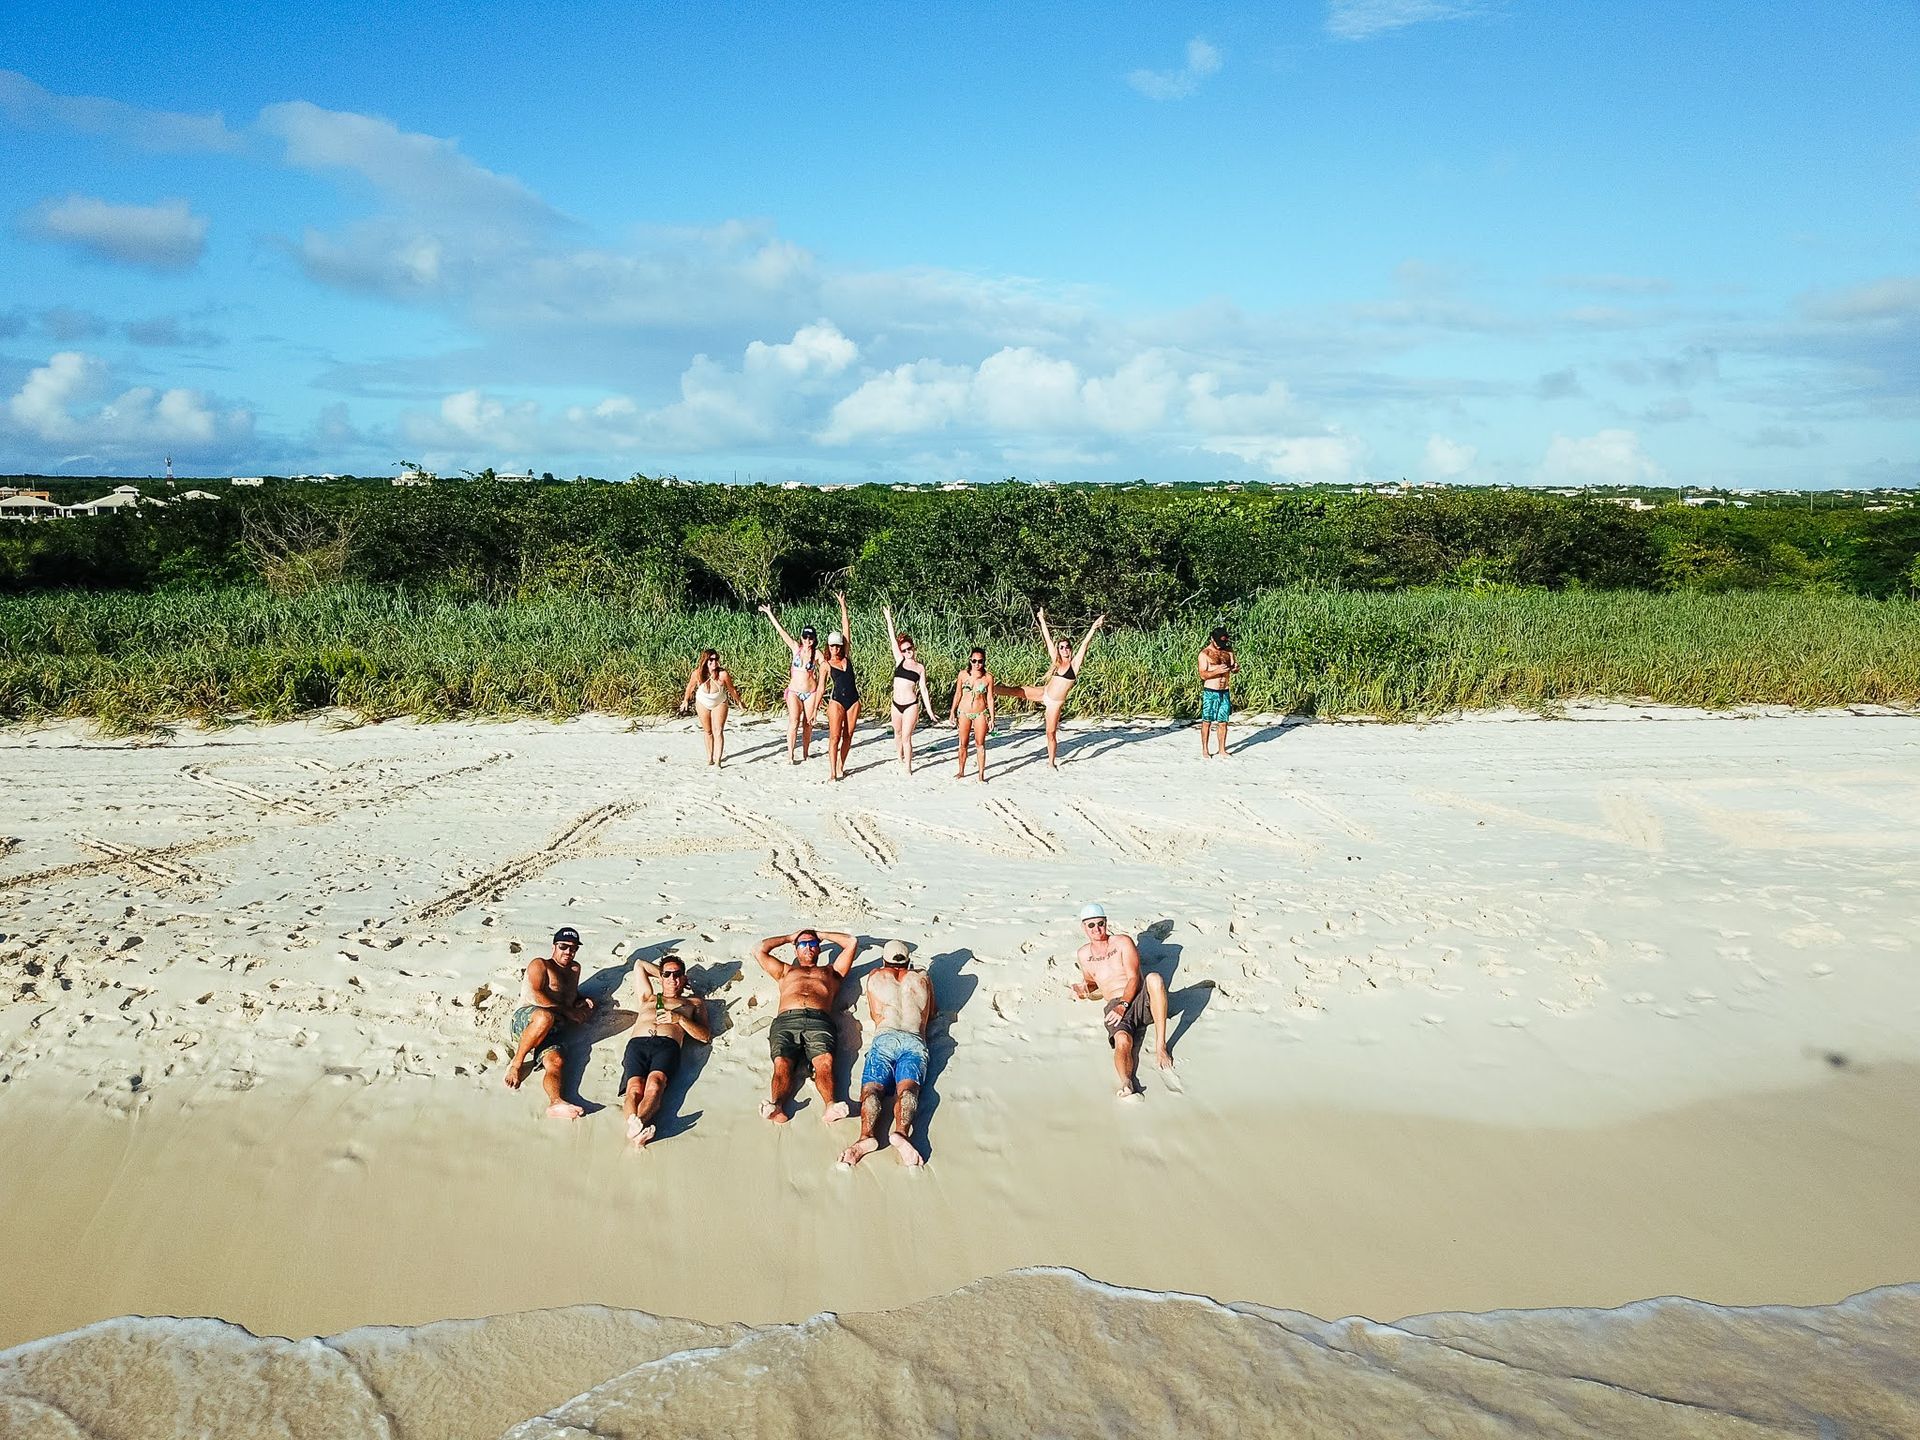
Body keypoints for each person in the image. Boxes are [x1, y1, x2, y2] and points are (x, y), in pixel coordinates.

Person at [839, 941, 934, 1169]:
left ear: (884, 961)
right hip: (914, 1038)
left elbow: (873, 1011)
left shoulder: (875, 975)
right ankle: (901, 1132)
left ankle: (867, 1136)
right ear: (908, 961)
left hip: (885, 1038)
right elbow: (933, 1011)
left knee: (873, 1090)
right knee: (908, 1090)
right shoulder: (922, 978)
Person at [755, 927, 861, 1124]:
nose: (808, 947)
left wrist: (820, 934)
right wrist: (788, 937)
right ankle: (777, 1106)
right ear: (796, 950)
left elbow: (851, 942)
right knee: (782, 1062)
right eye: (803, 944)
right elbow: (759, 950)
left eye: (813, 944)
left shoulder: (831, 972)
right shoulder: (786, 971)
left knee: (825, 1061)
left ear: (819, 949)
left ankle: (831, 1105)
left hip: (818, 1019)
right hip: (787, 1019)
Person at [1070, 903, 1171, 1098]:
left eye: (1100, 923)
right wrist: (1083, 989)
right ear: (1084, 928)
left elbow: (1133, 977)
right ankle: (1126, 1083)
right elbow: (1091, 982)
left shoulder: (1122, 942)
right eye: (1091, 925)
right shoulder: (1084, 954)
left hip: (1138, 997)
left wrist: (1124, 1005)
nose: (1097, 929)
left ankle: (1161, 1047)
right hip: (1114, 1004)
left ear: (1106, 922)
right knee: (1122, 1040)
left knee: (1155, 979)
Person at [504, 926, 597, 1119]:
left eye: (573, 948)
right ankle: (517, 1063)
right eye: (564, 946)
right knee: (545, 1017)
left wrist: (581, 1000)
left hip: (553, 1027)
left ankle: (556, 1102)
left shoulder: (574, 969)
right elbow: (537, 994)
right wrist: (568, 1011)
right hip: (528, 1019)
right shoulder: (540, 965)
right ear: (554, 946)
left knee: (556, 1061)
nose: (568, 952)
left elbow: (568, 994)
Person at [619, 953, 711, 1147]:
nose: (672, 979)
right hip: (638, 1043)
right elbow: (640, 964)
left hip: (667, 1045)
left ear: (684, 978)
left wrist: (679, 1019)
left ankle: (639, 1123)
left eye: (677, 975)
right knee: (634, 1088)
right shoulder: (649, 997)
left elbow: (704, 1036)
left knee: (655, 1084)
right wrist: (664, 976)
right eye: (667, 975)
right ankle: (635, 1129)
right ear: (660, 977)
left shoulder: (693, 1003)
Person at [994, 607, 1104, 769]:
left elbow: (1085, 644)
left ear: (1070, 648)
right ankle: (986, 687)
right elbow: (1048, 640)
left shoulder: (1074, 665)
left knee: (1050, 733)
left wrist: (1094, 626)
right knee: (1016, 690)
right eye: (1062, 647)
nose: (1064, 649)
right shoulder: (1057, 662)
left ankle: (1051, 762)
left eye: (1067, 647)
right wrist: (1042, 620)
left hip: (1054, 703)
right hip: (1043, 692)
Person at [758, 603, 824, 764]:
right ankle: (790, 755)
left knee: (807, 724)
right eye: (805, 637)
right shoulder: (796, 648)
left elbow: (826, 667)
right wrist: (769, 613)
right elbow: (781, 632)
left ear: (814, 639)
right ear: (802, 637)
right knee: (794, 721)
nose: (807, 640)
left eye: (810, 638)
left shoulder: (817, 653)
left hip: (810, 692)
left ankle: (806, 753)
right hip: (794, 690)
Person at [882, 601, 937, 776]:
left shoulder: (920, 667)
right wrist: (888, 618)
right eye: (904, 650)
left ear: (914, 648)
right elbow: (892, 639)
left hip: (911, 705)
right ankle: (899, 757)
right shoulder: (900, 661)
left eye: (909, 649)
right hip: (896, 704)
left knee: (906, 736)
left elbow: (924, 690)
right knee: (897, 733)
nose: (907, 652)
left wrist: (929, 712)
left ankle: (908, 765)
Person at [680, 649, 744, 768]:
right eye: (711, 659)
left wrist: (739, 701)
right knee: (708, 731)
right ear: (705, 660)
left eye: (716, 659)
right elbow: (690, 687)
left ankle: (718, 760)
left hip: (719, 702)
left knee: (718, 731)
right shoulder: (698, 673)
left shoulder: (722, 674)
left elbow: (731, 689)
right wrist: (686, 700)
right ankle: (709, 757)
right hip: (703, 702)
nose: (714, 662)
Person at [822, 591, 861, 782]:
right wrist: (813, 711)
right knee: (834, 737)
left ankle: (841, 766)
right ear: (828, 647)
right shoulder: (826, 664)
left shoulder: (846, 655)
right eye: (832, 646)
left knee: (848, 736)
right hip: (836, 701)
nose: (836, 649)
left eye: (838, 646)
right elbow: (821, 688)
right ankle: (831, 772)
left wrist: (843, 606)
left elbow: (846, 629)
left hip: (853, 700)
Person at [948, 646, 996, 782]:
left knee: (980, 743)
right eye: (974, 661)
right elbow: (958, 694)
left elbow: (990, 698)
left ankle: (981, 775)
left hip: (980, 712)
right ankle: (961, 771)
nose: (977, 664)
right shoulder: (963, 675)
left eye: (980, 661)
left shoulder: (988, 678)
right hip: (964, 712)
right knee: (963, 743)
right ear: (970, 660)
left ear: (984, 661)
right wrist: (952, 711)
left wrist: (992, 718)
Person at [1197, 626, 1238, 759]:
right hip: (1211, 691)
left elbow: (1233, 667)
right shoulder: (1205, 654)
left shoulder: (1229, 651)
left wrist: (1235, 668)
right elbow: (1203, 675)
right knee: (1207, 721)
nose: (1221, 646)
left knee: (1223, 721)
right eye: (1218, 643)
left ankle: (1222, 749)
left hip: (1224, 691)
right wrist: (1217, 671)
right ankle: (1205, 749)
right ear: (1211, 639)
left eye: (1223, 643)